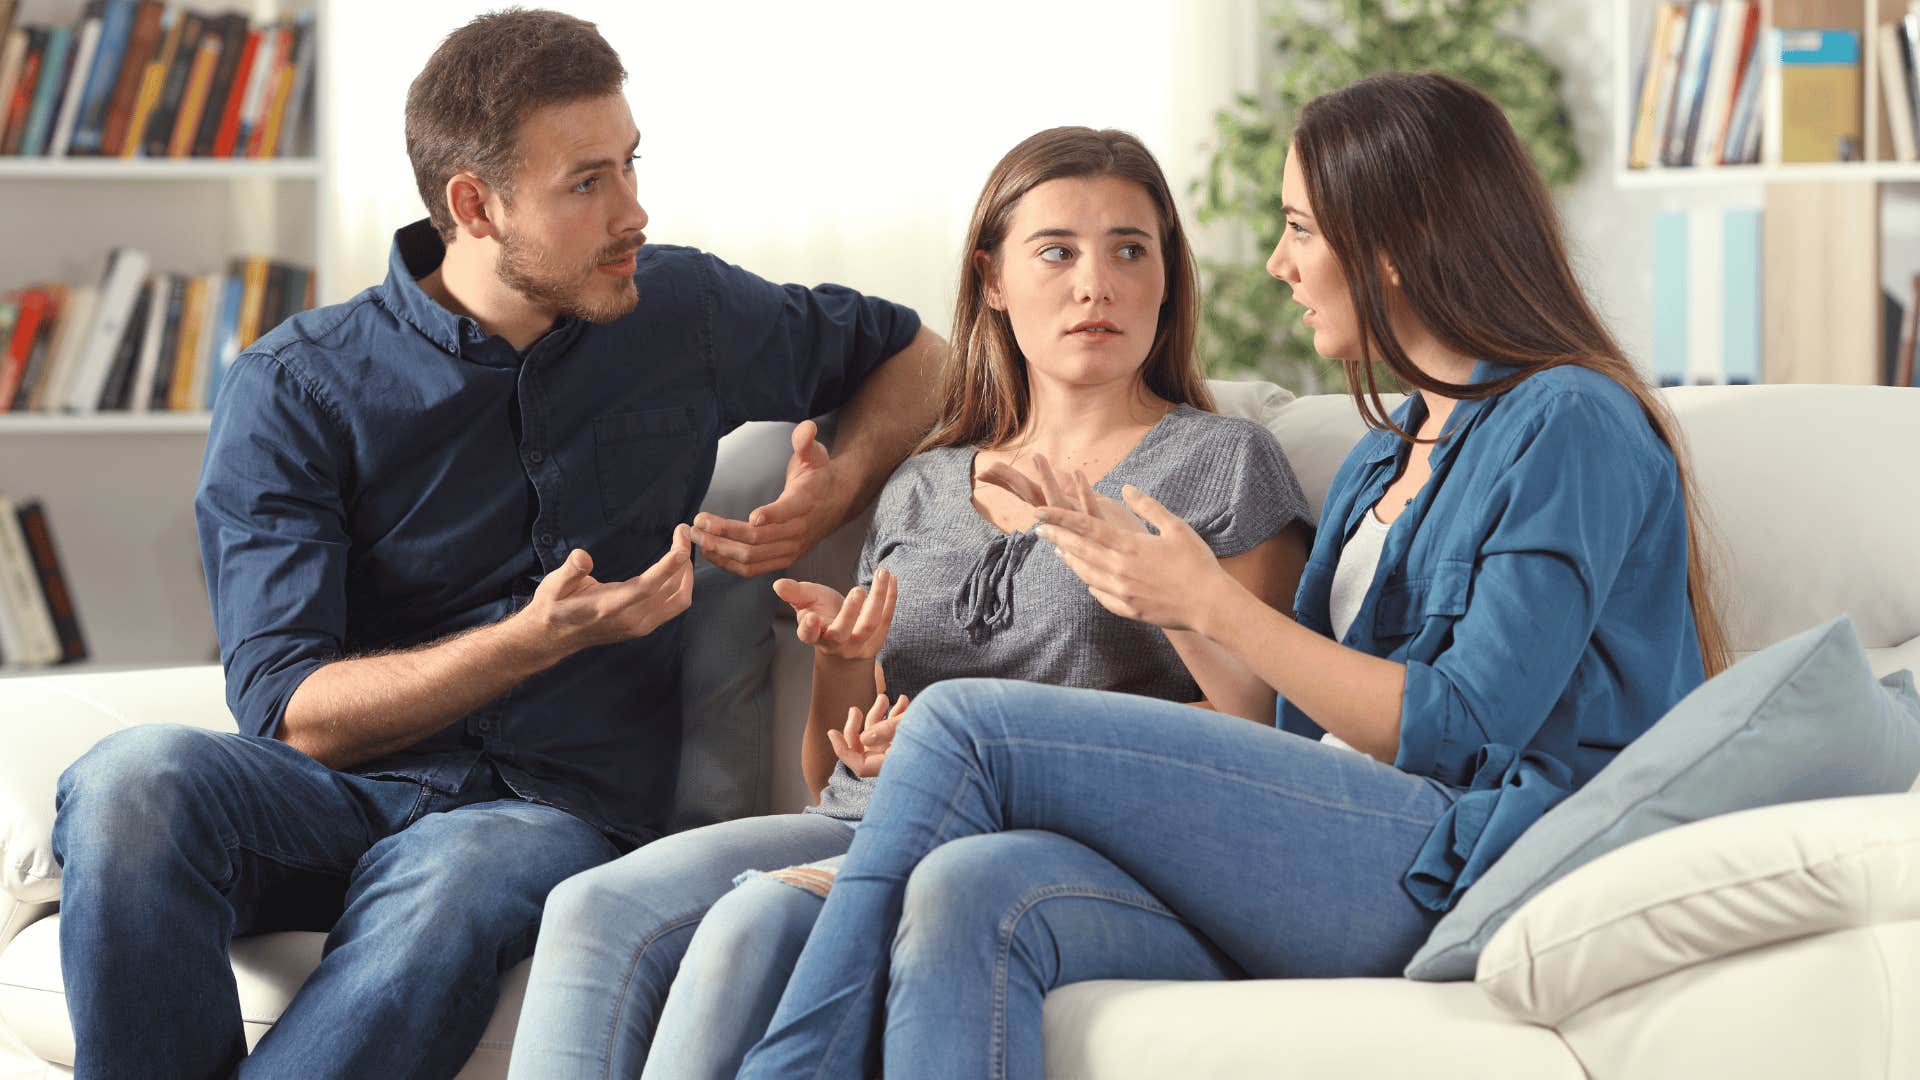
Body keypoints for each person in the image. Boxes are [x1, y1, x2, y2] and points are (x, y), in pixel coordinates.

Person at [735, 71, 1733, 1080]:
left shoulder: (1569, 419)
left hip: (1458, 855)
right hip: (1325, 838)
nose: (1277, 263)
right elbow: (1292, 725)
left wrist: (1210, 600)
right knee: (967, 888)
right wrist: (1154, 596)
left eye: (1300, 228)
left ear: (1391, 242)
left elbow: (1467, 728)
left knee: (964, 724)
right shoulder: (1388, 454)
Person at [46, 10, 946, 1079]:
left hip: (546, 812)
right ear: (474, 205)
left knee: (458, 868)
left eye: (630, 165)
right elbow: (293, 714)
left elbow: (917, 353)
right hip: (339, 799)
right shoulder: (296, 388)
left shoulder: (682, 312)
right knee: (130, 778)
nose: (634, 211)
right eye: (587, 183)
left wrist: (836, 485)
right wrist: (532, 639)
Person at [506, 126, 1311, 1080]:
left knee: (756, 920)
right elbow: (832, 773)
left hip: (1046, 842)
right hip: (868, 818)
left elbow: (1262, 737)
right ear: (994, 280)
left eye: (1130, 249)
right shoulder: (925, 483)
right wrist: (844, 667)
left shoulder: (1222, 462)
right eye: (1057, 250)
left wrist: (1145, 584)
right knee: (593, 907)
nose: (1097, 283)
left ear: (1167, 277)